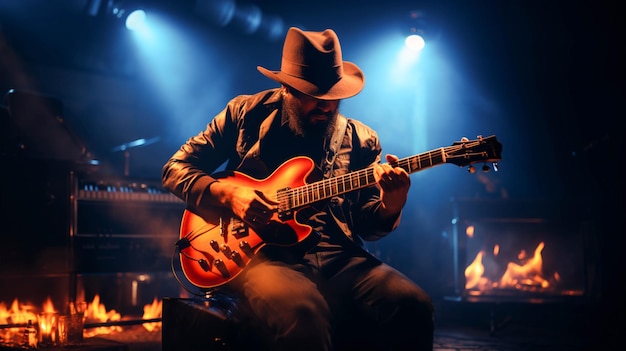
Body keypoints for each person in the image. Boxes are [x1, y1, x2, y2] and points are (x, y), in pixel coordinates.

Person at [162, 27, 434, 351]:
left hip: (338, 255)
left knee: (414, 305)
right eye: (316, 98)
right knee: (303, 318)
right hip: (265, 258)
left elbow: (367, 224)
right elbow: (175, 169)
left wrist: (393, 202)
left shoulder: (362, 140)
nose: (328, 107)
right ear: (287, 88)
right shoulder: (244, 114)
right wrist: (231, 195)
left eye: (334, 98)